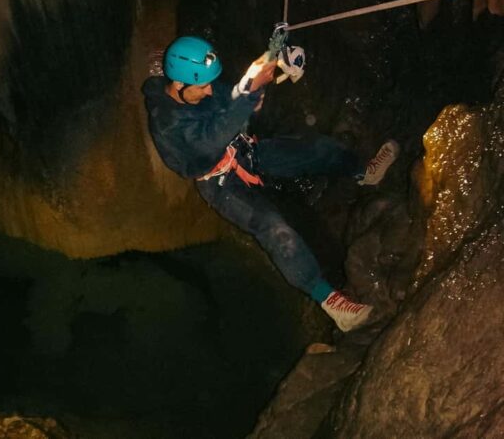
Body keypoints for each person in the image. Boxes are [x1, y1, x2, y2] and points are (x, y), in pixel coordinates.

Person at [142, 36, 400, 332]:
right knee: (275, 230)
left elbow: (232, 95)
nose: (210, 90)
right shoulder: (167, 122)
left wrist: (272, 61)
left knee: (315, 149)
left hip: (244, 152)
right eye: (203, 87)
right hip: (220, 182)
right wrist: (248, 98)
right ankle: (330, 302)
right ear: (178, 85)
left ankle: (364, 172)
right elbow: (210, 138)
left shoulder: (198, 88)